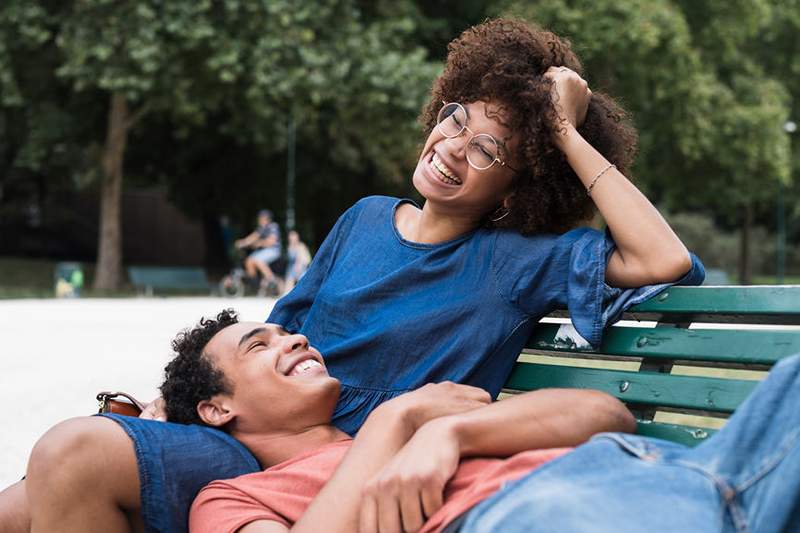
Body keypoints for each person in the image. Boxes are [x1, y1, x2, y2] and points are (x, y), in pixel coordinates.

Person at [0, 18, 705, 532]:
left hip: (342, 467)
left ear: (520, 188)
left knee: (78, 455)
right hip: (252, 435)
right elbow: (275, 333)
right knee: (17, 505)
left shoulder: (516, 259)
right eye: (456, 120)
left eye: (489, 150)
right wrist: (174, 401)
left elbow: (661, 260)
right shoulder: (366, 218)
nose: (453, 149)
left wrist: (562, 133)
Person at [235, 209, 282, 287]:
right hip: (265, 250)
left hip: (273, 250)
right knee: (249, 261)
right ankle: (255, 283)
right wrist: (242, 243)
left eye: (261, 218)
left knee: (258, 260)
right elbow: (252, 238)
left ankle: (272, 280)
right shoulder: (261, 228)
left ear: (267, 219)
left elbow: (272, 241)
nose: (259, 220)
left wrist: (259, 243)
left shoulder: (273, 226)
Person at [283, 230, 312, 294]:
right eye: (291, 237)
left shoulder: (300, 246)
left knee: (301, 284)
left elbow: (303, 259)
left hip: (300, 267)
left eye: (294, 237)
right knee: (289, 284)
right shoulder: (289, 247)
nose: (292, 239)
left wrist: (298, 266)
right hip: (292, 267)